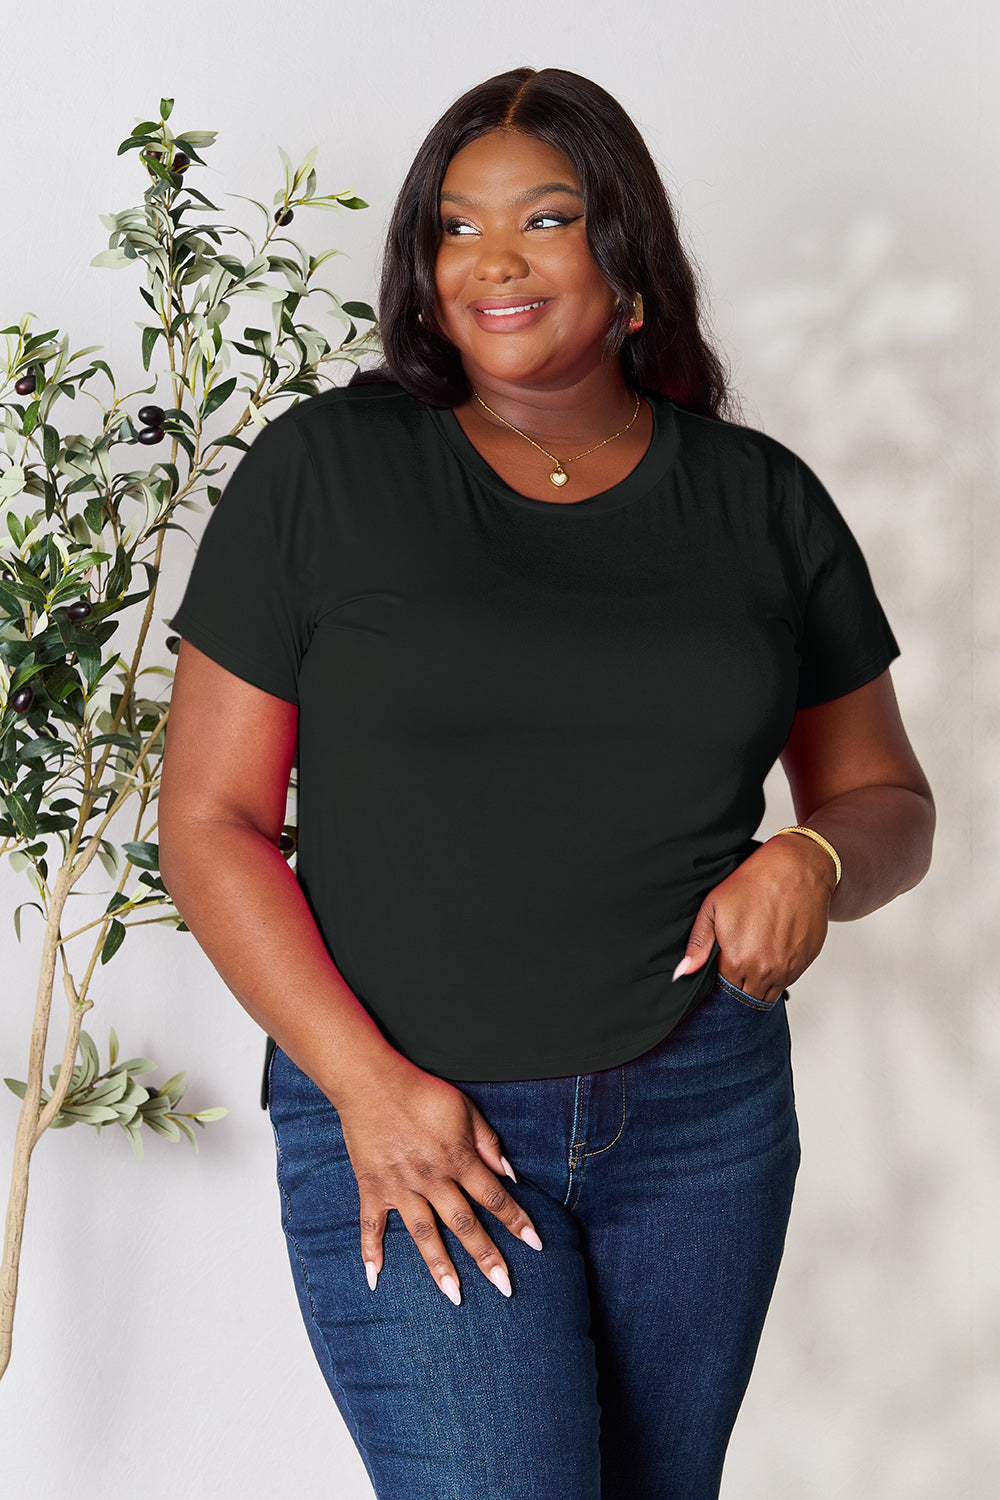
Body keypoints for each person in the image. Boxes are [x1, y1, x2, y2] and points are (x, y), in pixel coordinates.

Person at [159, 66, 935, 1500]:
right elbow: (207, 823)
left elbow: (888, 798)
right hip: (406, 1112)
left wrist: (810, 863)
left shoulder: (760, 503)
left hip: (699, 1116)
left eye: (547, 218)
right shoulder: (327, 472)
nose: (494, 260)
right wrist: (367, 1091)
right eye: (457, 229)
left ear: (628, 259)